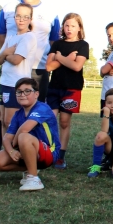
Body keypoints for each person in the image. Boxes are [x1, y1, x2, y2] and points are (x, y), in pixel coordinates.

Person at [0, 0, 60, 153]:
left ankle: (36, 148)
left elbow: (54, 41)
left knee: (34, 112)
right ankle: (0, 149)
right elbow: (0, 34)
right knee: (4, 111)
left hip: (38, 69)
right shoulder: (8, 8)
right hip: (12, 71)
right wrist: (7, 54)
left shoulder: (52, 13)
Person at [0, 77, 61, 191]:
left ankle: (34, 179)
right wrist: (12, 151)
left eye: (27, 91)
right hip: (28, 149)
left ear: (36, 94)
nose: (22, 94)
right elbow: (6, 138)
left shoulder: (42, 108)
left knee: (23, 136)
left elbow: (24, 130)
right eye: (19, 92)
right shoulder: (18, 114)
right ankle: (30, 168)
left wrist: (14, 144)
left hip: (49, 153)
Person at [45, 13, 89, 169]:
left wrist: (61, 58)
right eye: (66, 25)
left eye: (73, 26)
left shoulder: (83, 45)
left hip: (71, 88)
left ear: (79, 28)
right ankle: (48, 152)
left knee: (64, 122)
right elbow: (49, 67)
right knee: (49, 120)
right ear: (63, 27)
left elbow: (77, 66)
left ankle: (60, 157)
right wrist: (68, 58)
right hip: (54, 87)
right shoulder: (57, 44)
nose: (69, 29)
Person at [0, 3, 37, 139]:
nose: (21, 19)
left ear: (30, 19)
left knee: (10, 122)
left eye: (25, 16)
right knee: (2, 121)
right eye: (18, 16)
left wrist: (5, 54)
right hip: (4, 82)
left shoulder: (29, 37)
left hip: (16, 85)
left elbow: (16, 59)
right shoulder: (11, 37)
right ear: (14, 17)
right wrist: (7, 52)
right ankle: (3, 151)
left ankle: (14, 151)